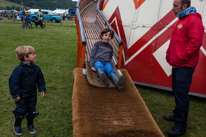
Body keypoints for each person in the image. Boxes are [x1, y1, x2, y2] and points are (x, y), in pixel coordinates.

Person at [165, 0, 204, 136]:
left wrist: (179, 57)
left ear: (185, 6)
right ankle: (177, 116)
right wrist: (169, 55)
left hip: (185, 65)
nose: (173, 8)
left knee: (181, 94)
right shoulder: (181, 19)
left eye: (175, 6)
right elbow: (174, 41)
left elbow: (195, 43)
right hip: (177, 63)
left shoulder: (194, 20)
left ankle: (180, 125)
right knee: (176, 91)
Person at [9, 46, 46, 135]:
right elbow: (13, 82)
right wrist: (15, 94)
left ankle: (30, 124)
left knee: (31, 109)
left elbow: (40, 80)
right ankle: (17, 125)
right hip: (21, 95)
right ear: (26, 57)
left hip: (32, 94)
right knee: (21, 110)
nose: (35, 56)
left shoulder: (36, 68)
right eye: (33, 54)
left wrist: (42, 89)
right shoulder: (18, 69)